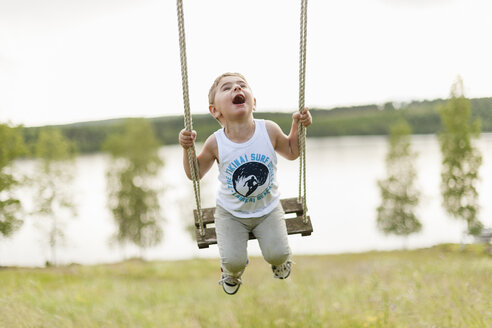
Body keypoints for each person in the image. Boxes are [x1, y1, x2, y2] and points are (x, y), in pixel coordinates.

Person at [179, 72, 312, 295]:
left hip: (268, 210)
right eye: (227, 88)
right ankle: (229, 273)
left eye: (242, 86)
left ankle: (279, 263)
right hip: (231, 214)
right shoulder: (216, 142)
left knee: (278, 254)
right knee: (234, 262)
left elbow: (291, 151)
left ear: (254, 103)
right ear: (215, 111)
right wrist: (187, 149)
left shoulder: (268, 130)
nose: (236, 89)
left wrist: (298, 125)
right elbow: (195, 173)